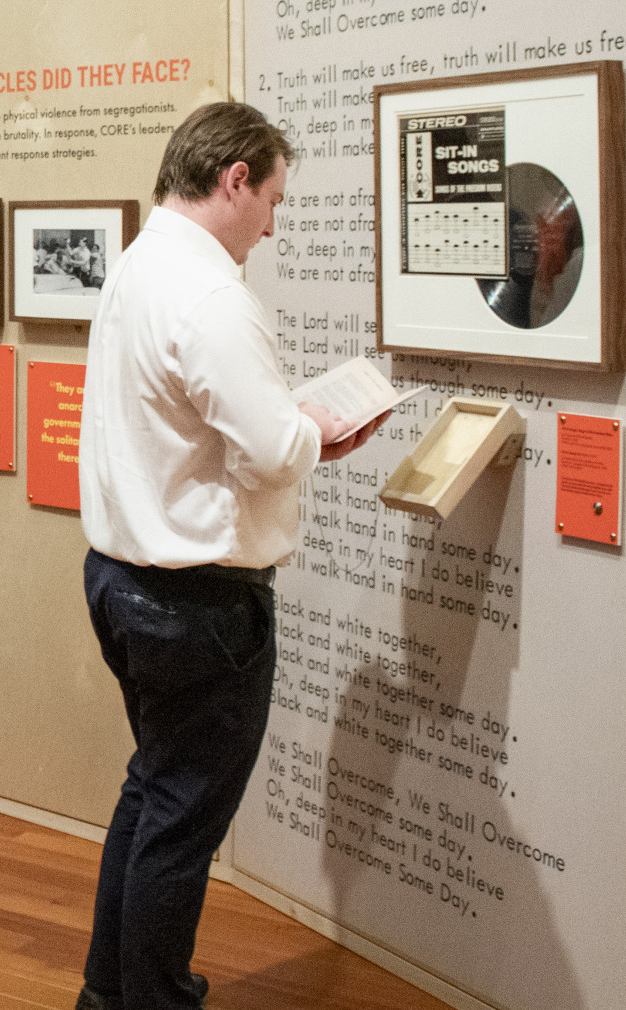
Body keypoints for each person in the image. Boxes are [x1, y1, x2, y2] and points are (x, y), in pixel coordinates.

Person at [75, 102, 384, 1010]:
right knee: (181, 820)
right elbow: (268, 449)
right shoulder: (211, 294)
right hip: (196, 602)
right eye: (273, 198)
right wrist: (313, 430)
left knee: (153, 795)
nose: (275, 223)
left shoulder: (139, 263)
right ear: (235, 178)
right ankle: (153, 999)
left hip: (123, 581)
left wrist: (283, 426)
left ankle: (113, 991)